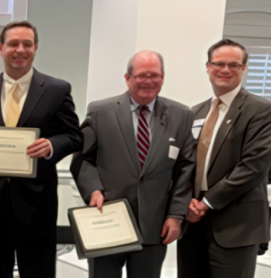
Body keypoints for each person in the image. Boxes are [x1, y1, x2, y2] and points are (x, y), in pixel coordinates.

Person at [0, 20, 82, 278]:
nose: (20, 49)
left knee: (38, 271)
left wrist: (52, 145)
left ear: (35, 48)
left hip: (37, 200)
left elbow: (74, 136)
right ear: (1, 48)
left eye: (27, 44)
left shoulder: (56, 89)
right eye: (13, 44)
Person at [72, 50, 195, 278]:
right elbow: (83, 158)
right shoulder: (100, 112)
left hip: (155, 225)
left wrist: (176, 215)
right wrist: (93, 190)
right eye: (141, 75)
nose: (148, 81)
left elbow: (186, 169)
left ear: (163, 78)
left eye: (154, 75)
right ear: (127, 78)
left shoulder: (182, 115)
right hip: (107, 219)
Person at [177, 39, 271, 278]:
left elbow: (253, 166)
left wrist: (207, 202)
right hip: (192, 220)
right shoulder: (195, 112)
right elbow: (183, 163)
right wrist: (185, 202)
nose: (225, 70)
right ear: (208, 67)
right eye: (219, 63)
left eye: (234, 65)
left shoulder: (262, 110)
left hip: (236, 223)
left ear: (244, 68)